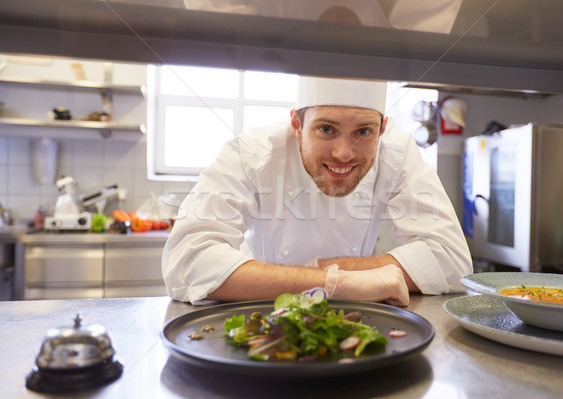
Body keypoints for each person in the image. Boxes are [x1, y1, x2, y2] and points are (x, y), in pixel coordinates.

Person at [162, 75, 473, 306]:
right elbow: (187, 261)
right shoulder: (251, 153)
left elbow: (452, 260)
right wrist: (337, 282)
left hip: (353, 316)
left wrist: (331, 278)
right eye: (327, 129)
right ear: (296, 124)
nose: (344, 153)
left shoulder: (397, 151)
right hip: (266, 315)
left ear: (383, 127)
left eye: (363, 131)